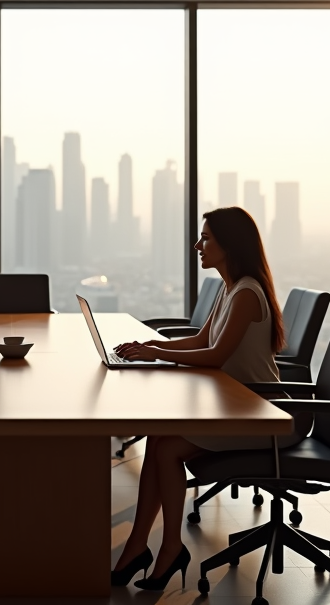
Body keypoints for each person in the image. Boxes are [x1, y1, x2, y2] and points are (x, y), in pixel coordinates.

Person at [109, 206, 292, 591]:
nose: (198, 245)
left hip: (260, 416)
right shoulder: (230, 288)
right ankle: (141, 546)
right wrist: (150, 345)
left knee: (165, 449)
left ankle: (168, 548)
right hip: (236, 407)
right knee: (160, 439)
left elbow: (215, 356)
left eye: (206, 238)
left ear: (230, 245)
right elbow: (201, 340)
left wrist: (157, 353)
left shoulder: (246, 293)